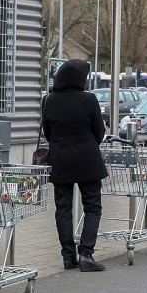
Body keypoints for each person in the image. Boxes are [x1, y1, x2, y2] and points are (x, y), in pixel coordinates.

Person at [42, 59, 108, 272]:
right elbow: (99, 130)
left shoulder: (49, 100)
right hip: (87, 159)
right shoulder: (89, 99)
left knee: (63, 208)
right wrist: (88, 143)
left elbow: (48, 132)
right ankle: (86, 254)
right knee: (93, 207)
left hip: (60, 160)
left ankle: (68, 256)